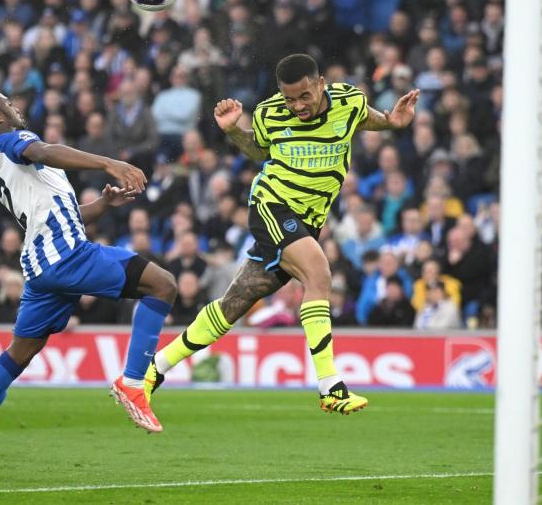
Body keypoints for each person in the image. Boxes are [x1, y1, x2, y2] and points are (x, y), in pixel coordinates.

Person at [149, 54, 419, 415]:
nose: (297, 106)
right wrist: (233, 131)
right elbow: (259, 150)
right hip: (272, 206)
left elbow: (365, 119)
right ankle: (330, 387)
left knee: (236, 302)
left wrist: (392, 122)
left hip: (307, 221)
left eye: (304, 96)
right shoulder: (270, 113)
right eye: (290, 98)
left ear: (320, 84)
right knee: (319, 274)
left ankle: (154, 369)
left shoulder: (349, 101)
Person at [0, 85, 178, 476]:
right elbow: (44, 150)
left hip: (41, 266)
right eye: (6, 102)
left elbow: (54, 214)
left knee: (19, 353)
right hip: (67, 256)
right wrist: (109, 163)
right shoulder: (14, 141)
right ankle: (133, 381)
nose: (14, 106)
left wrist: (103, 205)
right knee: (164, 284)